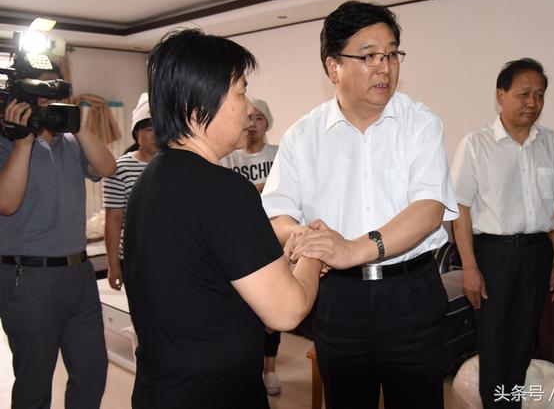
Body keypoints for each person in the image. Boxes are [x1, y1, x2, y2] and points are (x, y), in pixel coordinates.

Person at [262, 0, 458, 409]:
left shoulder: (420, 123)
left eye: (392, 54)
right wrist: (307, 237)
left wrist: (352, 248)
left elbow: (428, 210)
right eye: (369, 56)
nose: (384, 67)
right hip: (339, 300)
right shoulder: (303, 136)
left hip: (410, 293)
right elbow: (276, 214)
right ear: (333, 66)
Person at [123, 28, 322, 409]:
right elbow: (287, 310)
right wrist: (313, 250)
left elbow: (208, 280)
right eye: (241, 93)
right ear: (198, 105)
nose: (249, 109)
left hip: (160, 391)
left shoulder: (152, 179)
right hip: (216, 394)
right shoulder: (224, 190)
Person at [450, 58, 554, 408]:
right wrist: (470, 268)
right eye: (524, 94)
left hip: (537, 253)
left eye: (540, 95)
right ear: (501, 95)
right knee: (494, 343)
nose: (533, 103)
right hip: (494, 255)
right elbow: (460, 209)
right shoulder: (476, 145)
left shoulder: (551, 143)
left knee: (523, 342)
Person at [0, 64, 116, 409]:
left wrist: (77, 126)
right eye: (41, 92)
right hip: (28, 276)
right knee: (34, 383)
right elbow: (6, 203)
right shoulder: (6, 142)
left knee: (92, 373)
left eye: (56, 92)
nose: (49, 101)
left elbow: (107, 168)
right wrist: (23, 144)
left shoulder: (71, 142)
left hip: (79, 273)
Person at [220, 98, 282, 395]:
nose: (253, 124)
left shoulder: (279, 154)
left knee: (274, 308)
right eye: (250, 117)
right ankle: (248, 370)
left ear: (267, 123)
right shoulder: (228, 159)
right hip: (241, 241)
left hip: (275, 238)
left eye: (260, 118)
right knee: (246, 309)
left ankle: (270, 369)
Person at [103, 93, 158, 290]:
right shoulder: (121, 168)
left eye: (160, 128)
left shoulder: (175, 164)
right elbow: (113, 219)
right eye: (149, 129)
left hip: (171, 255)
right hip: (135, 257)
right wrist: (113, 265)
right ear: (136, 133)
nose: (156, 134)